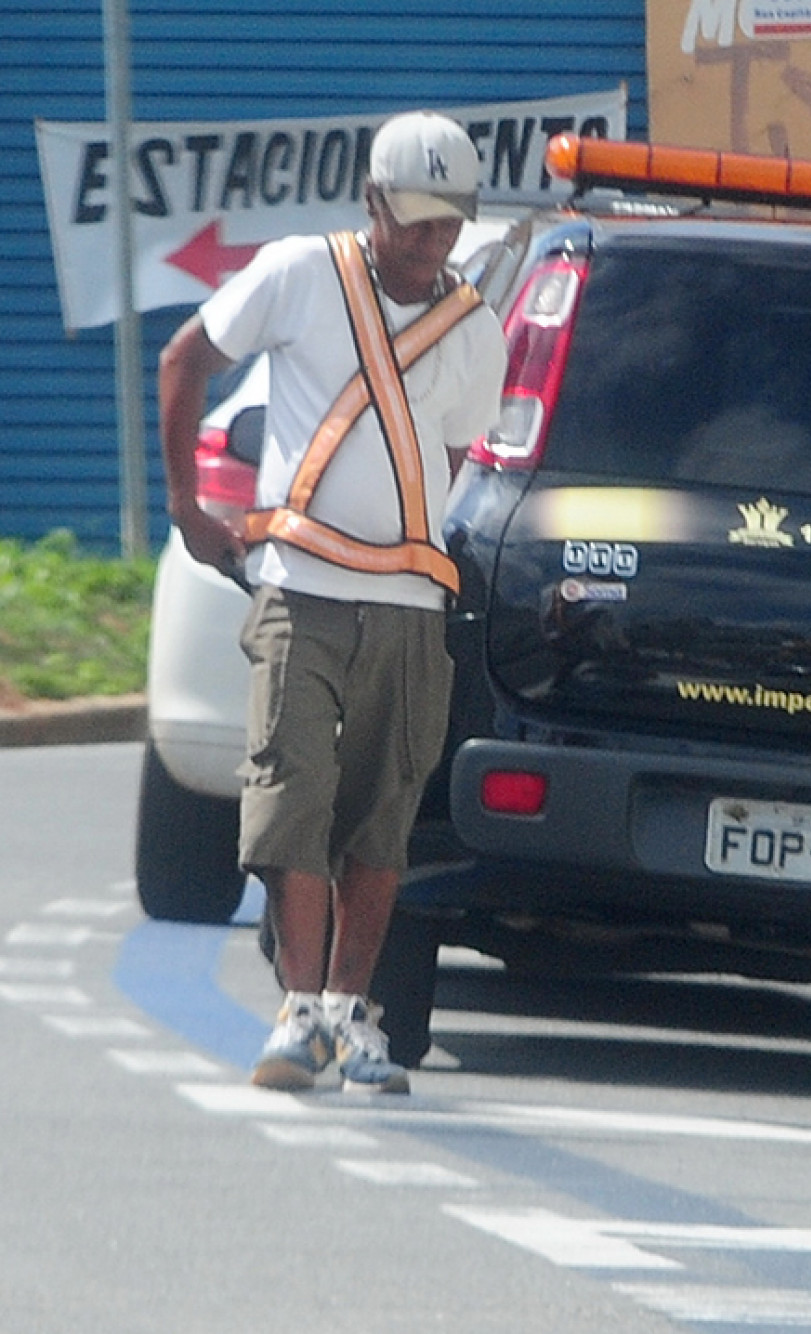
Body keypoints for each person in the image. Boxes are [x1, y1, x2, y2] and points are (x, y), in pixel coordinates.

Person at [157, 111, 507, 1094]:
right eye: (416, 218)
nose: (432, 239)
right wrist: (186, 505)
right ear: (372, 203)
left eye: (449, 221)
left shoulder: (474, 328)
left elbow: (446, 461)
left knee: (383, 814)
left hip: (408, 605)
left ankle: (354, 1014)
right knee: (289, 798)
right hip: (299, 592)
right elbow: (185, 358)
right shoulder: (299, 273)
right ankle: (299, 1012)